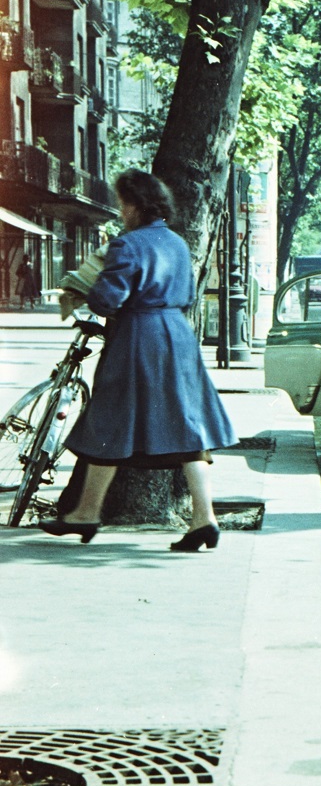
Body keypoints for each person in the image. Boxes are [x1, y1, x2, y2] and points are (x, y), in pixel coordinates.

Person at [41, 169, 237, 549]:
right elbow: (188, 295)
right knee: (187, 424)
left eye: (121, 202)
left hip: (137, 337)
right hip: (178, 335)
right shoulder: (178, 244)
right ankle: (204, 518)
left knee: (109, 419)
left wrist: (89, 288)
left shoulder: (127, 245)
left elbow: (106, 300)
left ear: (133, 205)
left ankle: (86, 514)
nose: (120, 209)